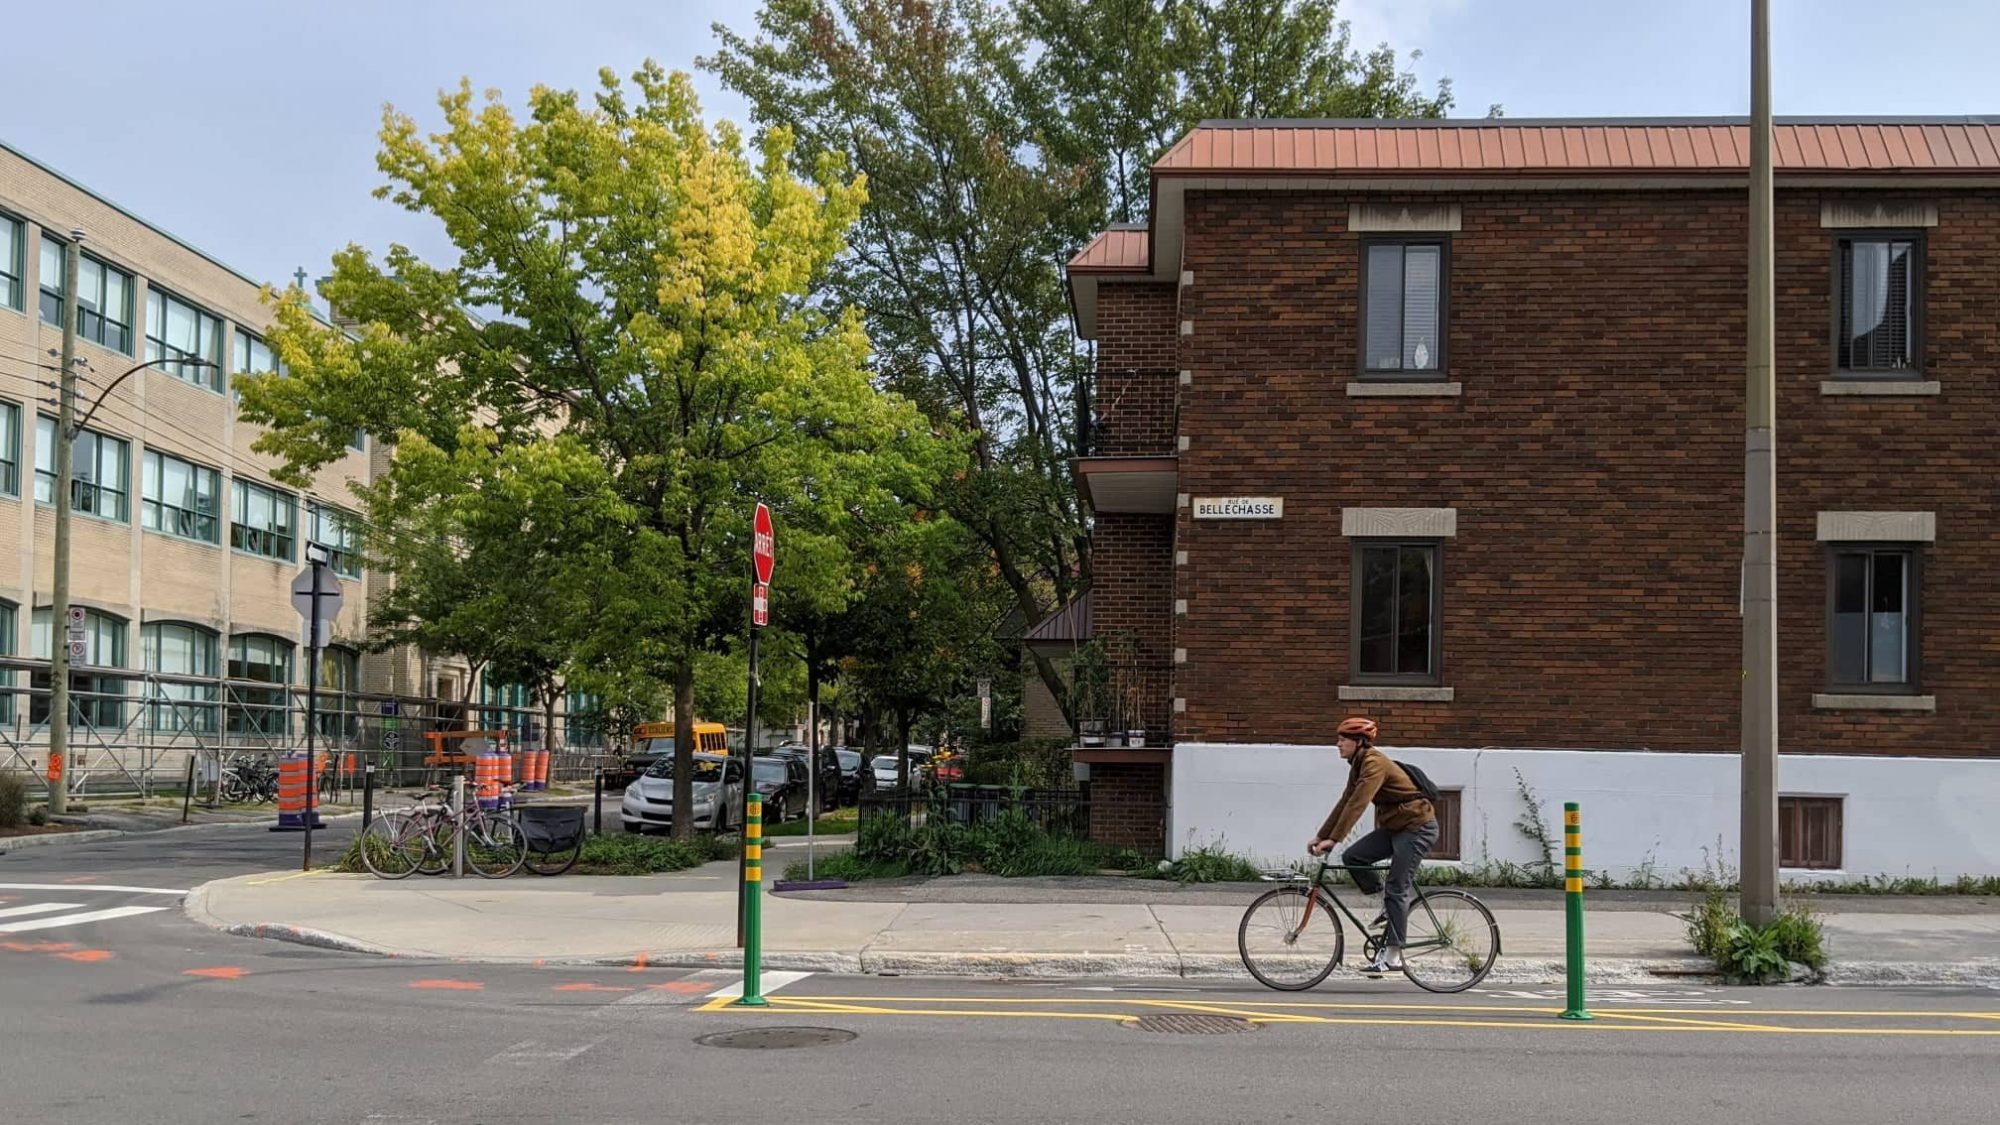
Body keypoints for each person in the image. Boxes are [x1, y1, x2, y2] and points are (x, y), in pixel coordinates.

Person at [1307, 716, 1438, 976]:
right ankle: (1386, 906)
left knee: (1397, 888)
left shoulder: (1374, 764)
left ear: (1359, 742)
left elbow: (1359, 803)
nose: (1338, 744)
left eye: (1343, 739)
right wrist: (1322, 835)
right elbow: (1346, 800)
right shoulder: (1358, 764)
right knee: (1354, 857)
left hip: (1416, 828)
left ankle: (1393, 957)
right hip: (1395, 827)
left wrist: (1334, 838)